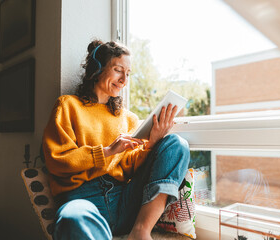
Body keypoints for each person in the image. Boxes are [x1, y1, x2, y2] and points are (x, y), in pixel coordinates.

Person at [42, 39, 190, 240]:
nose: (124, 80)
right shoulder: (68, 106)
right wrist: (108, 151)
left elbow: (129, 166)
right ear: (98, 69)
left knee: (176, 144)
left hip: (124, 200)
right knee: (71, 219)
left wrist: (152, 142)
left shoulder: (127, 118)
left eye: (127, 74)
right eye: (119, 70)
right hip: (82, 200)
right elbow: (56, 160)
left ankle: (141, 231)